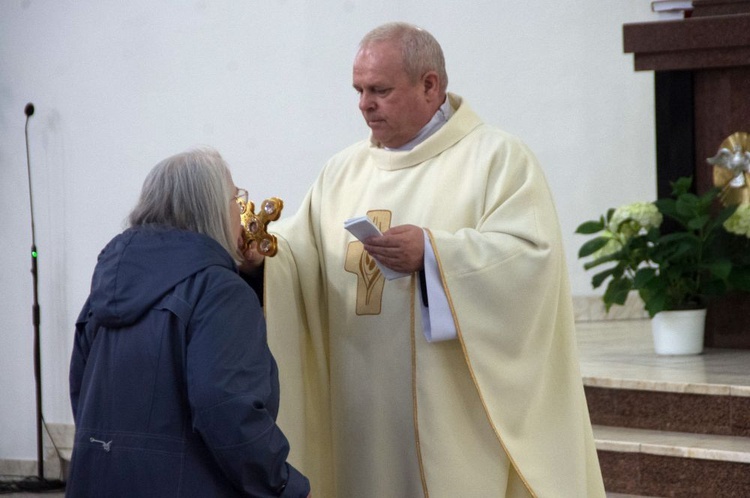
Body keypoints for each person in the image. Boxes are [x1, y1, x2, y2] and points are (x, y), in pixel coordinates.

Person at [251, 22, 606, 497]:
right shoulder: (341, 172)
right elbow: (302, 261)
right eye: (358, 90)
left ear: (430, 85)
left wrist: (437, 255)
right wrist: (262, 257)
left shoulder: (496, 159)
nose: (364, 105)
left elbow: (530, 260)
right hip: (362, 411)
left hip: (454, 418)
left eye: (380, 90)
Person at [67, 148, 311, 498]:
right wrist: (284, 484)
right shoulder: (219, 291)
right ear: (210, 208)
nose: (241, 210)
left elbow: (82, 392)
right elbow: (228, 410)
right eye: (236, 198)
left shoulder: (105, 288)